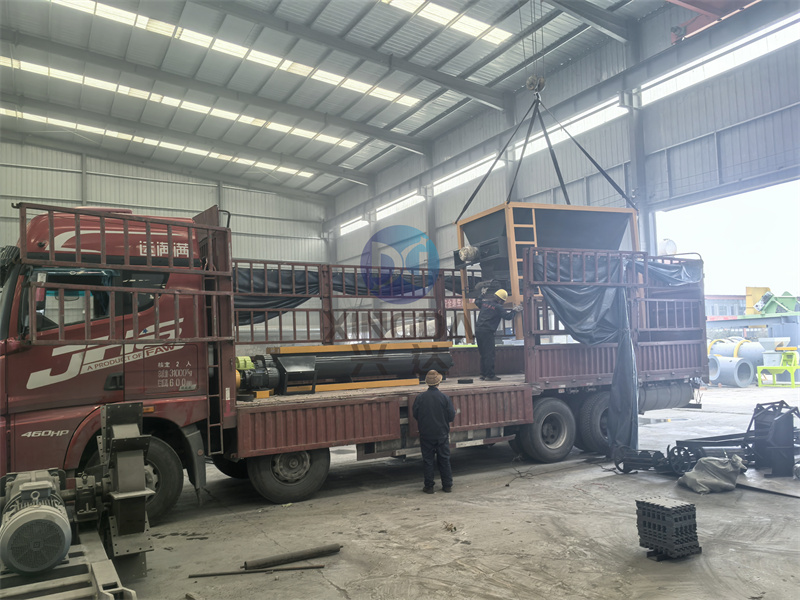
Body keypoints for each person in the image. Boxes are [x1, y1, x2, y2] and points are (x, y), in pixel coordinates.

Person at [412, 370, 456, 494]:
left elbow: (415, 414)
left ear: (427, 383)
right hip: (442, 433)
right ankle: (447, 486)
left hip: (426, 434)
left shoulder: (420, 398)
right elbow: (451, 416)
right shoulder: (445, 398)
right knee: (444, 459)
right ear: (438, 382)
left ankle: (429, 487)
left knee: (428, 460)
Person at [473, 289, 522, 381]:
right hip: (488, 332)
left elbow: (477, 301)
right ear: (500, 300)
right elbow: (508, 317)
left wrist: (481, 295)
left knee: (483, 354)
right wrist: (515, 311)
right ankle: (490, 376)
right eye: (503, 301)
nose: (503, 303)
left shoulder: (485, 303)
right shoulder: (498, 307)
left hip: (478, 331)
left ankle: (483, 374)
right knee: (489, 354)